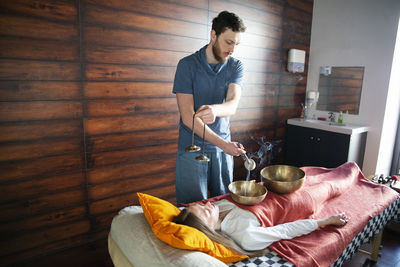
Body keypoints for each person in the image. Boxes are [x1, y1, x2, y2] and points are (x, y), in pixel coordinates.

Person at [173, 11, 247, 204]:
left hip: (223, 151)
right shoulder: (186, 66)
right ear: (213, 35)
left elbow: (232, 104)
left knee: (222, 207)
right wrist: (223, 145)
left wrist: (215, 110)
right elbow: (188, 118)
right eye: (228, 42)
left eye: (236, 44)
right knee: (193, 210)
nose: (232, 50)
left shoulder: (235, 66)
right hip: (193, 149)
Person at [173, 200, 350, 257]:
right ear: (208, 228)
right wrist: (324, 221)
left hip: (274, 190)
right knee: (339, 179)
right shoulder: (244, 236)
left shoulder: (219, 205)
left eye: (202, 203)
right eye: (205, 211)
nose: (208, 204)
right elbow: (285, 230)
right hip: (292, 203)